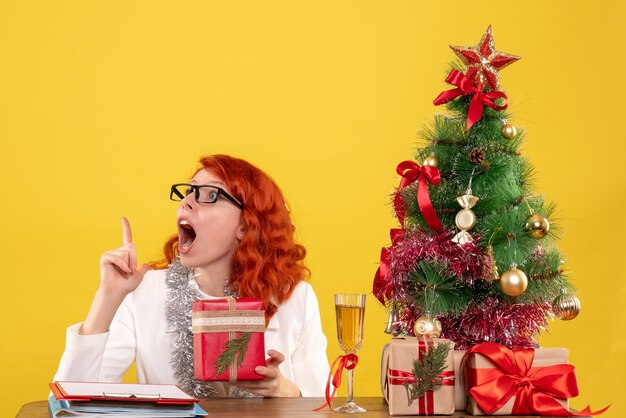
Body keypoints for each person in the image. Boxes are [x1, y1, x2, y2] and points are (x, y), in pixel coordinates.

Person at [54, 154, 330, 398]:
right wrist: (108, 298)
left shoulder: (295, 298)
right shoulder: (144, 292)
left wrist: (283, 389)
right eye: (188, 192)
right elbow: (71, 400)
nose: (186, 203)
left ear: (247, 226)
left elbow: (321, 402)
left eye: (210, 195)